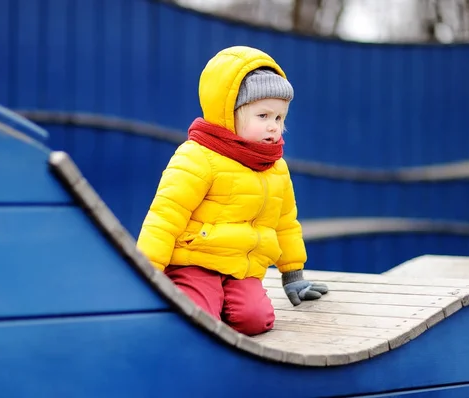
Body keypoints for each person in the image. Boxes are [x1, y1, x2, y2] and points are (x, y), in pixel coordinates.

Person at [136, 45, 328, 336]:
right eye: (262, 116)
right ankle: (193, 303)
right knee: (198, 317)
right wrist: (146, 271)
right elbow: (166, 215)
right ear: (228, 113)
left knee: (256, 320)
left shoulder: (275, 167)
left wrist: (293, 274)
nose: (273, 127)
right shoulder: (198, 157)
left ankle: (225, 306)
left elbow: (285, 222)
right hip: (196, 261)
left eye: (279, 118)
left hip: (242, 267)